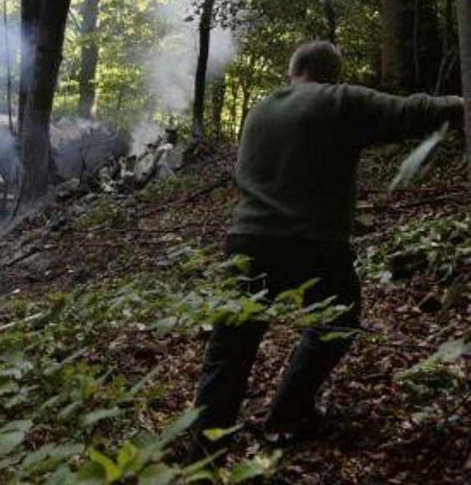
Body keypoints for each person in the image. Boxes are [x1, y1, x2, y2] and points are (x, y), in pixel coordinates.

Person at [190, 40, 464, 454]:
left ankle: (201, 458)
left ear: (293, 71)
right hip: (312, 243)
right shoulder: (339, 100)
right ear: (332, 73)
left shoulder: (259, 110)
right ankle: (286, 414)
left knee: (230, 351)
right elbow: (413, 112)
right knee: (338, 321)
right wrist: (461, 104)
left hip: (246, 240)